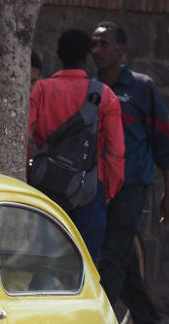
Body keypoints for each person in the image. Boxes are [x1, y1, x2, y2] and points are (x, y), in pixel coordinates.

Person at [92, 21, 169, 324]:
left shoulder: (142, 88)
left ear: (121, 49)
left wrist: (168, 187)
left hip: (132, 185)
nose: (97, 51)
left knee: (112, 256)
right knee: (121, 257)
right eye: (94, 45)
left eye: (104, 44)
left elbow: (162, 137)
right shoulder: (92, 88)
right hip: (99, 187)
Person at [27, 29, 124, 262]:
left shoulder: (41, 89)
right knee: (84, 266)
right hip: (89, 187)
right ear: (86, 58)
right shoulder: (104, 95)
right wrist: (106, 192)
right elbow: (116, 152)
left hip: (47, 187)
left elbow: (23, 133)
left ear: (59, 55)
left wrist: (29, 174)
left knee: (44, 262)